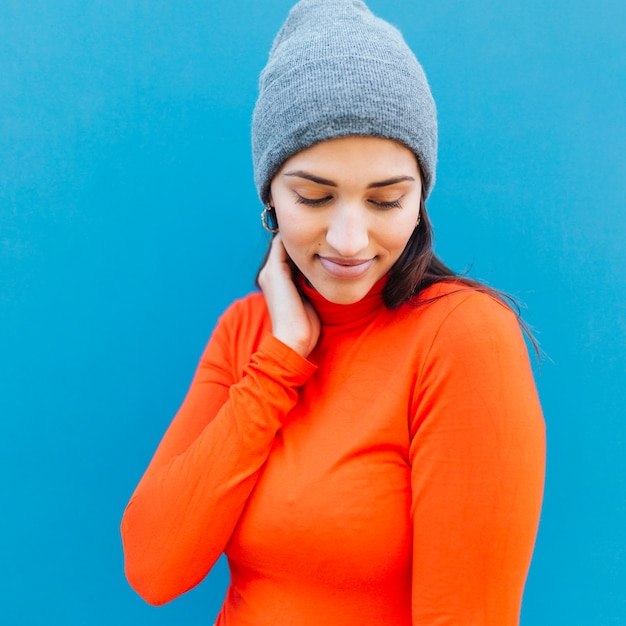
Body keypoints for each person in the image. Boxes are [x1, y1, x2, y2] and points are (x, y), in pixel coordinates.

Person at [121, 1, 546, 624]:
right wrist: (281, 359)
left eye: (386, 201)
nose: (349, 240)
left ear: (420, 201)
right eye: (314, 196)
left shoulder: (463, 338)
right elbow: (154, 568)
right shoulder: (248, 331)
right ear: (270, 195)